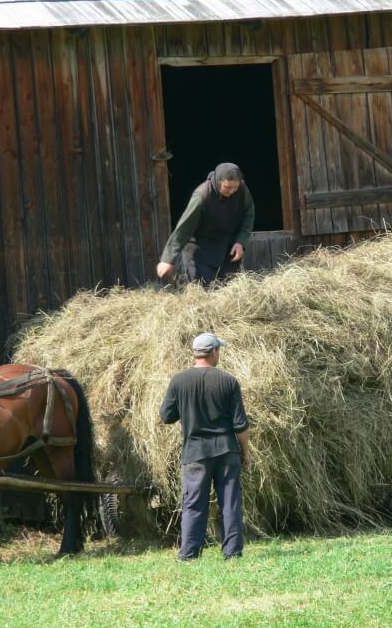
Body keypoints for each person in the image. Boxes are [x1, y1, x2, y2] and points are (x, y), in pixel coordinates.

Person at [159, 332, 251, 561]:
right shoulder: (229, 381)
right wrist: (245, 452)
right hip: (226, 451)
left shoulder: (179, 381)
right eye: (219, 350)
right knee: (230, 503)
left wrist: (188, 408)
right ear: (213, 352)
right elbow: (241, 425)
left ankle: (189, 554)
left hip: (195, 453)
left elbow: (166, 416)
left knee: (193, 504)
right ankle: (232, 553)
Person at [156, 163, 255, 285]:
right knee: (205, 290)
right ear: (219, 181)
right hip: (200, 250)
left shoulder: (242, 190)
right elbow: (183, 228)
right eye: (227, 187)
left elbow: (248, 215)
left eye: (235, 187)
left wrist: (240, 241)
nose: (232, 191)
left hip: (226, 248)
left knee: (229, 289)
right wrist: (168, 259)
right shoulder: (202, 195)